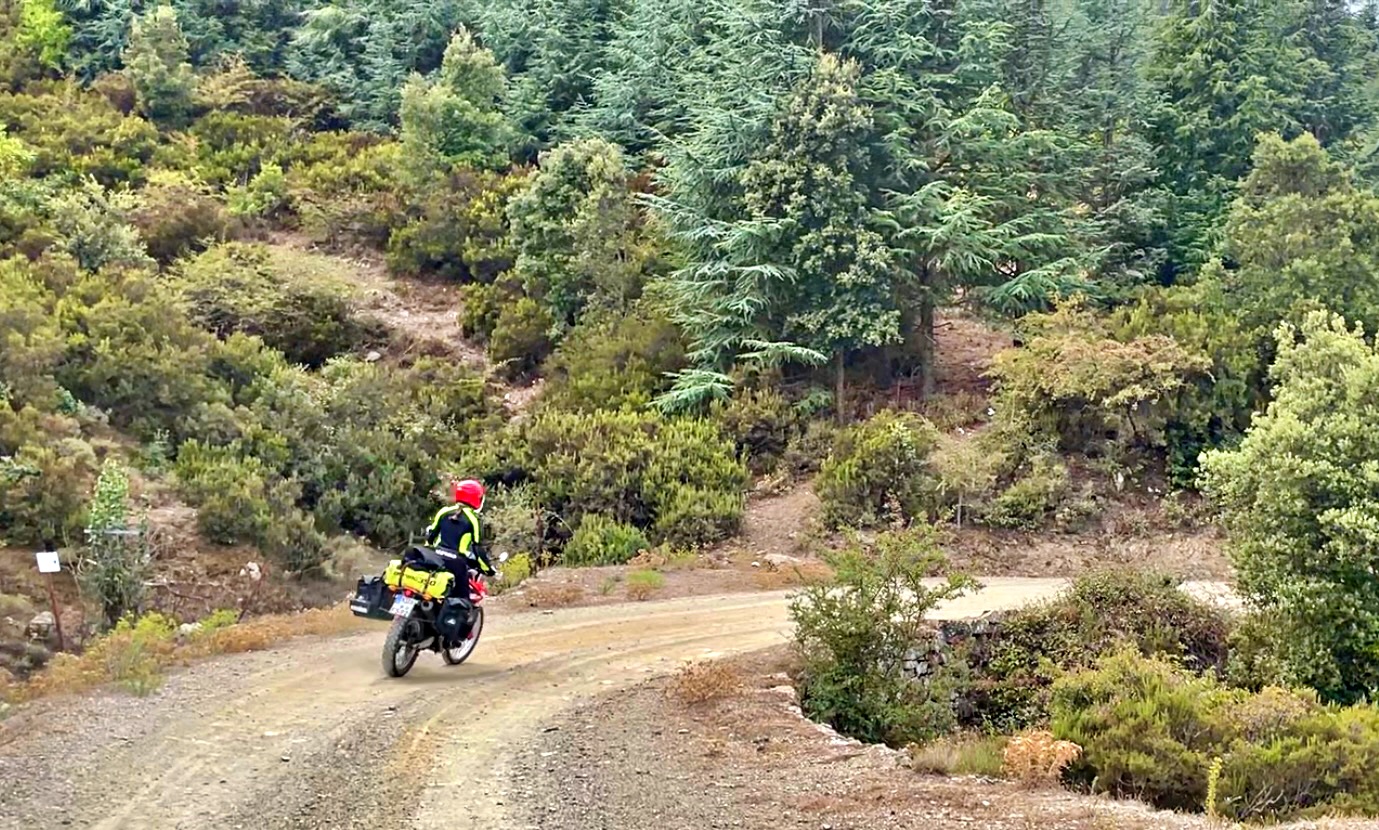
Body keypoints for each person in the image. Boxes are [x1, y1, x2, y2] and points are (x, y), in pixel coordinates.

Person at [422, 479, 497, 591]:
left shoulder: (444, 512)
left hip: (436, 558)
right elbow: (478, 548)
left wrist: (428, 553)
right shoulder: (474, 520)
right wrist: (488, 569)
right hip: (456, 562)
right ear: (476, 498)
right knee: (463, 595)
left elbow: (430, 538)